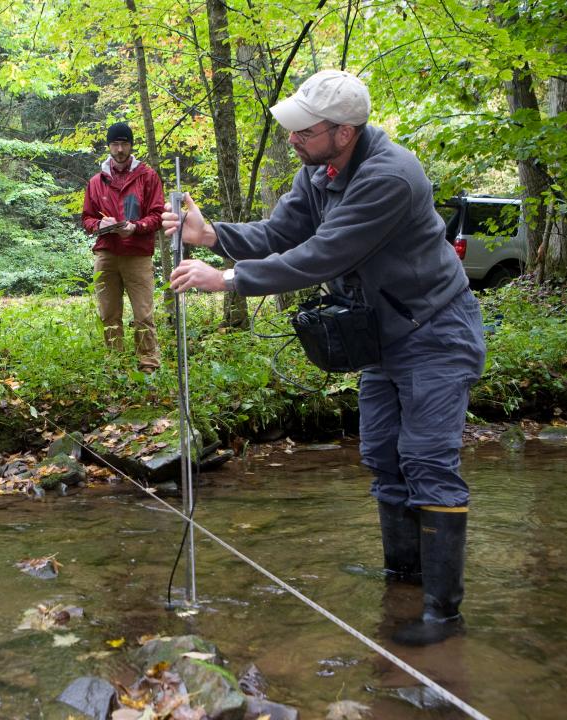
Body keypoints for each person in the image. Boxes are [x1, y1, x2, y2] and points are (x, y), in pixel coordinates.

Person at [163, 70, 486, 646]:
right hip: (383, 338)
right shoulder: (318, 169)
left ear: (344, 131)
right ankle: (402, 579)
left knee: (428, 462)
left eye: (304, 131)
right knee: (384, 456)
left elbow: (322, 254)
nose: (292, 138)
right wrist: (213, 237)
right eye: (291, 129)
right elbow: (283, 231)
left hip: (436, 332)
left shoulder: (390, 176)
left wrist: (228, 280)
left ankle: (443, 615)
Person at [82, 122, 164, 373]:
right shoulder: (96, 181)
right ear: (108, 146)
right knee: (108, 313)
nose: (120, 149)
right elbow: (86, 218)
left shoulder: (147, 177)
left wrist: (135, 227)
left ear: (131, 145)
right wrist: (99, 224)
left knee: (143, 314)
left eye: (124, 144)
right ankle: (116, 364)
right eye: (115, 144)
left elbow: (158, 215)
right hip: (106, 253)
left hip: (137, 254)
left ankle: (148, 364)